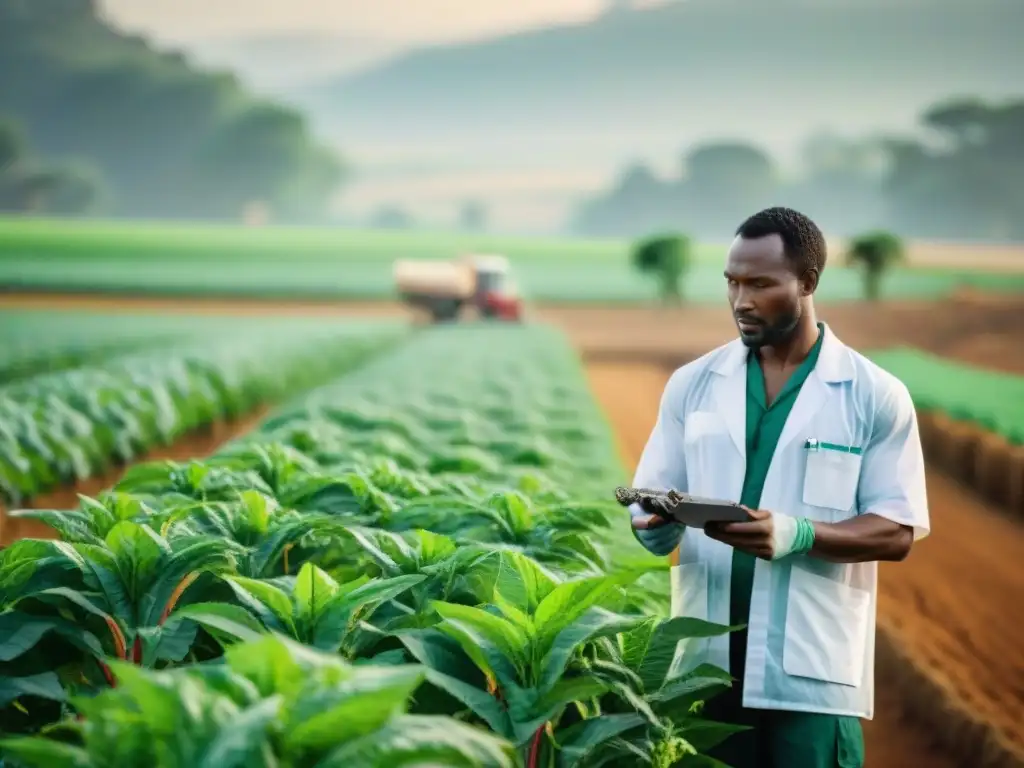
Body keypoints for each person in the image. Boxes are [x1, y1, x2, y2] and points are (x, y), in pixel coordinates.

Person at [629, 207, 930, 768]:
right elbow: (651, 500)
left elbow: (896, 530)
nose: (741, 299)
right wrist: (653, 521)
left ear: (808, 282)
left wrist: (795, 533)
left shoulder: (872, 395)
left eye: (760, 284)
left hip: (810, 678)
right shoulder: (693, 385)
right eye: (732, 282)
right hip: (705, 671)